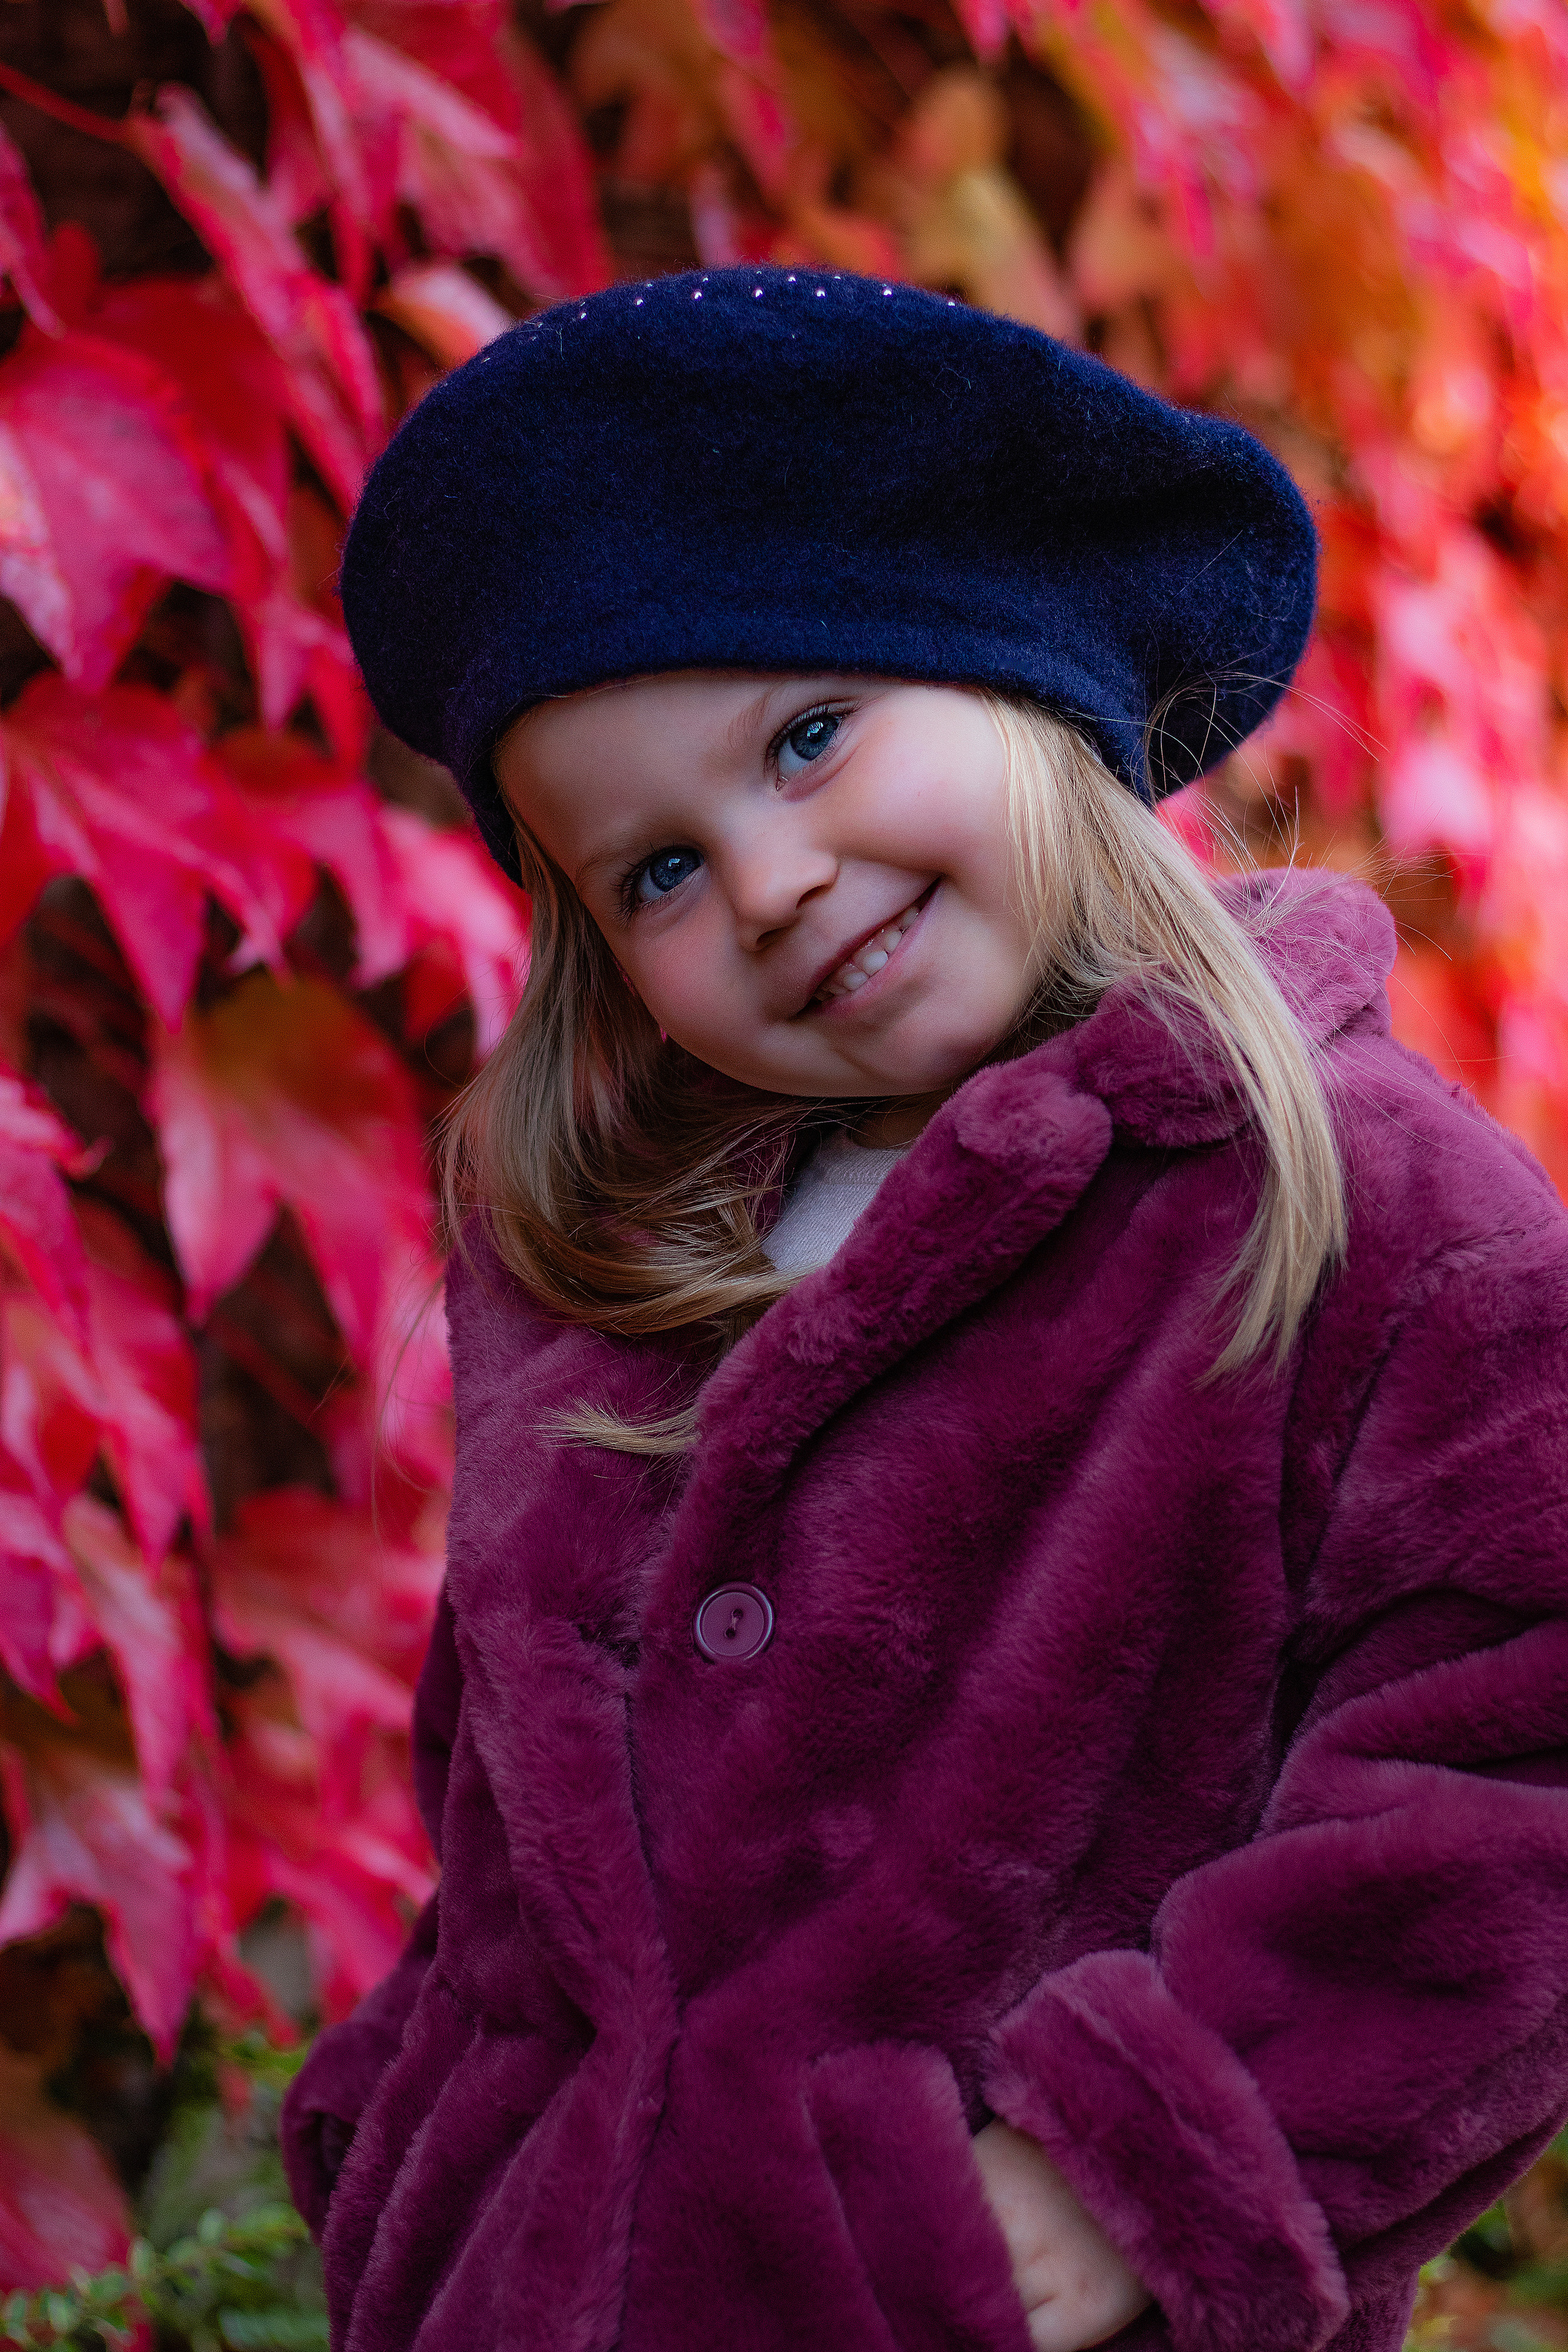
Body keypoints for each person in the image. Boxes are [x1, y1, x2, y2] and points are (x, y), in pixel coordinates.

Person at [281, 266, 1568, 2352]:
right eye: (659, 875)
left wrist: (1148, 2159)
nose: (771, 878)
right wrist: (409, 2146)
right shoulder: (620, 1280)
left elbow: (1519, 1762)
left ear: (1027, 680)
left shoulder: (1364, 1210)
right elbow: (512, 1835)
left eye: (809, 737)